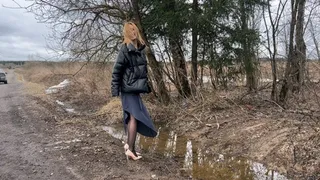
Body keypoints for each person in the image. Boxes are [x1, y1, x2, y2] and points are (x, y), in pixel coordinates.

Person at [111, 22, 157, 161]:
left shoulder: (140, 49)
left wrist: (146, 86)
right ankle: (130, 150)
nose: (133, 32)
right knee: (134, 118)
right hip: (128, 89)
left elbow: (141, 72)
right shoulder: (124, 49)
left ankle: (129, 146)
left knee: (132, 117)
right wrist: (114, 90)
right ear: (126, 33)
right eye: (130, 30)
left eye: (134, 29)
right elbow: (116, 71)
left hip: (135, 89)